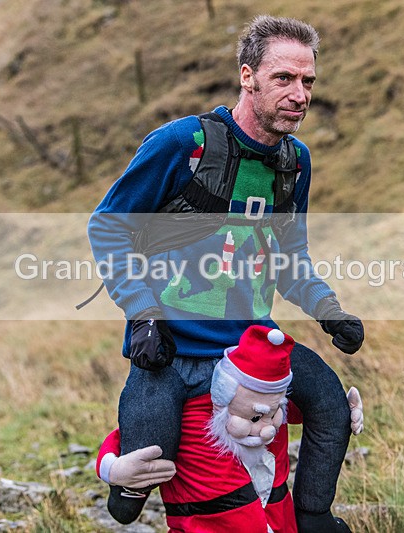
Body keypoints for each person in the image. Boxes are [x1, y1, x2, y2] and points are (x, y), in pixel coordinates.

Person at [88, 15, 364, 533]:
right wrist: (143, 314)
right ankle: (123, 489)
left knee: (329, 404)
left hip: (250, 351)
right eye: (284, 78)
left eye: (308, 81)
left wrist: (329, 310)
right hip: (167, 350)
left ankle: (313, 515)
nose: (300, 94)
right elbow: (108, 226)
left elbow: (289, 257)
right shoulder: (183, 144)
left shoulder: (294, 163)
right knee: (146, 460)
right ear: (248, 76)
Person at [95, 326, 365, 533]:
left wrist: (342, 411)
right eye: (256, 416)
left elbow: (305, 412)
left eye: (272, 413)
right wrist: (112, 469)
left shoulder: (271, 409)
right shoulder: (190, 415)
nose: (266, 431)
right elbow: (124, 438)